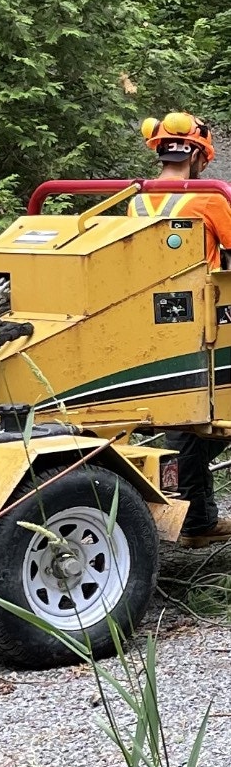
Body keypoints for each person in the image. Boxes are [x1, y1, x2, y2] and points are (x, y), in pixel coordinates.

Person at [130, 111, 231, 547]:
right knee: (205, 421)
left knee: (183, 418)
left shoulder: (136, 200)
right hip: (206, 319)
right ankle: (195, 517)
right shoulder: (210, 198)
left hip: (155, 320)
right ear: (196, 155)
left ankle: (196, 515)